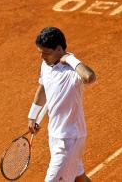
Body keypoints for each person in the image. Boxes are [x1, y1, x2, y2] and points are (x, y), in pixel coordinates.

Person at [27, 27, 96, 182]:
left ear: (59, 49)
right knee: (79, 178)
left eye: (46, 53)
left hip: (69, 138)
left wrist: (70, 59)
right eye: (40, 52)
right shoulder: (46, 65)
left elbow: (90, 77)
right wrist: (33, 116)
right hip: (55, 135)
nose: (42, 56)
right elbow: (43, 88)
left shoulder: (72, 71)